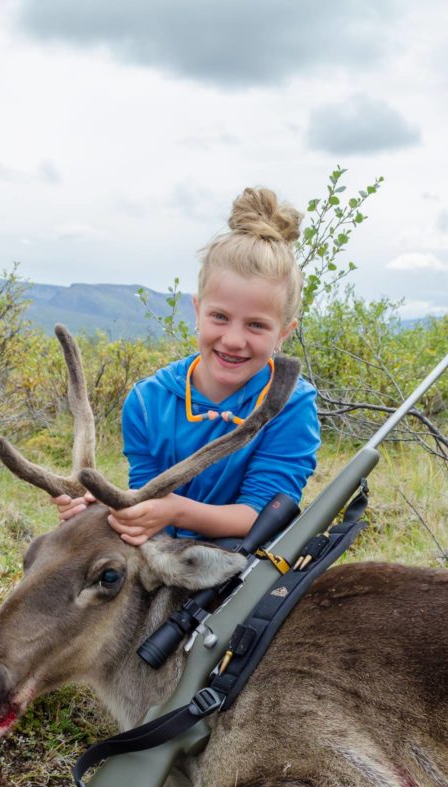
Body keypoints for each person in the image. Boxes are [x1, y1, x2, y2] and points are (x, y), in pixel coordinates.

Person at [52, 187, 320, 545]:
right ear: (197, 311)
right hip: (163, 553)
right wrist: (107, 508)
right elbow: (146, 499)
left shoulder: (290, 406)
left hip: (245, 559)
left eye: (256, 325)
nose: (233, 340)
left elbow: (262, 513)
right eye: (219, 317)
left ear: (284, 332)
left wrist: (176, 511)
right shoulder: (148, 402)